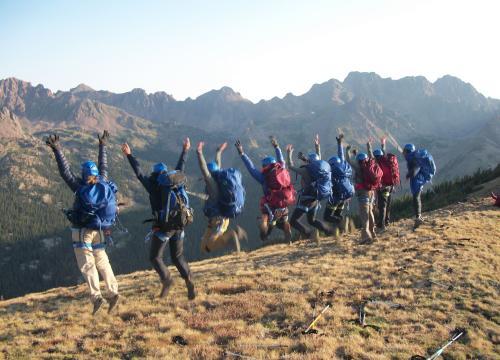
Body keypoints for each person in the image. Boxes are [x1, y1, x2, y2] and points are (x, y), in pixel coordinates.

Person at [45, 131, 120, 315]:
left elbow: (65, 172)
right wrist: (102, 145)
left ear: (84, 174)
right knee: (102, 260)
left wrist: (57, 150)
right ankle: (113, 291)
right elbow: (104, 164)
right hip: (101, 228)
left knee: (87, 264)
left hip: (82, 231)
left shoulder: (79, 188)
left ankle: (96, 297)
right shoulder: (103, 180)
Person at [122, 139, 195, 300]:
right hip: (180, 224)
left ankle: (167, 279)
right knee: (177, 256)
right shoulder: (175, 181)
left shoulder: (153, 185)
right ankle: (189, 280)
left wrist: (129, 156)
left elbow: (139, 173)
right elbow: (180, 166)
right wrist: (185, 150)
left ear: (155, 175)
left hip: (164, 227)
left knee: (155, 257)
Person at [235, 136, 294, 242]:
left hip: (270, 205)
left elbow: (251, 168)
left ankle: (264, 235)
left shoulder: (264, 177)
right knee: (284, 221)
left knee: (265, 219)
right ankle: (288, 236)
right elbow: (281, 158)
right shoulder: (282, 168)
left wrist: (242, 153)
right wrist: (276, 146)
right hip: (284, 202)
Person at [196, 141, 246, 253]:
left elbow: (204, 169)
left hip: (219, 219)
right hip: (216, 219)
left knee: (207, 247)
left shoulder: (212, 185)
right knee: (204, 248)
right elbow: (217, 165)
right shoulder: (219, 179)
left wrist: (199, 153)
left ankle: (232, 236)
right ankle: (235, 234)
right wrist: (218, 152)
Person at [285, 143, 334, 239]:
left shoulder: (305, 171)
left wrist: (288, 154)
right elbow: (318, 160)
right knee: (312, 220)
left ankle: (309, 234)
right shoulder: (322, 170)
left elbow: (290, 166)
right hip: (316, 200)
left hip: (306, 200)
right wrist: (317, 147)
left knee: (293, 221)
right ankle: (329, 231)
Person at [314, 134, 354, 233]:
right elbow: (341, 155)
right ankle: (342, 230)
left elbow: (319, 165)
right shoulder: (344, 168)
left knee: (327, 216)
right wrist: (339, 143)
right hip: (346, 196)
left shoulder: (330, 171)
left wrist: (317, 148)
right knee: (337, 213)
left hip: (336, 197)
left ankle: (342, 222)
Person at [346, 141, 382, 244]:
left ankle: (366, 236)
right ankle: (373, 233)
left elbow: (348, 160)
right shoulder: (371, 163)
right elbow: (371, 155)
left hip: (363, 193)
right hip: (371, 192)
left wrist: (347, 150)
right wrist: (368, 146)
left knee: (364, 215)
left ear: (358, 161)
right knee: (370, 213)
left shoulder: (358, 168)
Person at [402, 143, 436, 229]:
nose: (403, 153)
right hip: (421, 178)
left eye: (404, 151)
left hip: (417, 179)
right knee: (417, 197)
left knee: (416, 197)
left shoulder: (412, 159)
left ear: (407, 151)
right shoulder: (415, 157)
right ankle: (419, 216)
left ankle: (418, 217)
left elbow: (415, 170)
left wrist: (408, 176)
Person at [373, 137, 400, 231]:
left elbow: (377, 177)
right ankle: (387, 221)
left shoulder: (377, 164)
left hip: (383, 187)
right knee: (387, 204)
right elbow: (383, 151)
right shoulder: (386, 160)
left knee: (382, 206)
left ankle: (381, 224)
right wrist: (383, 143)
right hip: (390, 186)